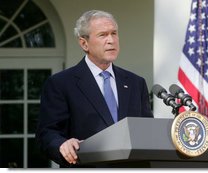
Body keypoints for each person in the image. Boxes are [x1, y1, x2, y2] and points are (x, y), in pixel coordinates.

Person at [36, 10, 153, 167]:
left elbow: (146, 132)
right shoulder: (61, 83)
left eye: (114, 33)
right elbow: (47, 133)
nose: (111, 40)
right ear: (84, 43)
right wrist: (62, 144)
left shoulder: (135, 83)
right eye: (103, 35)